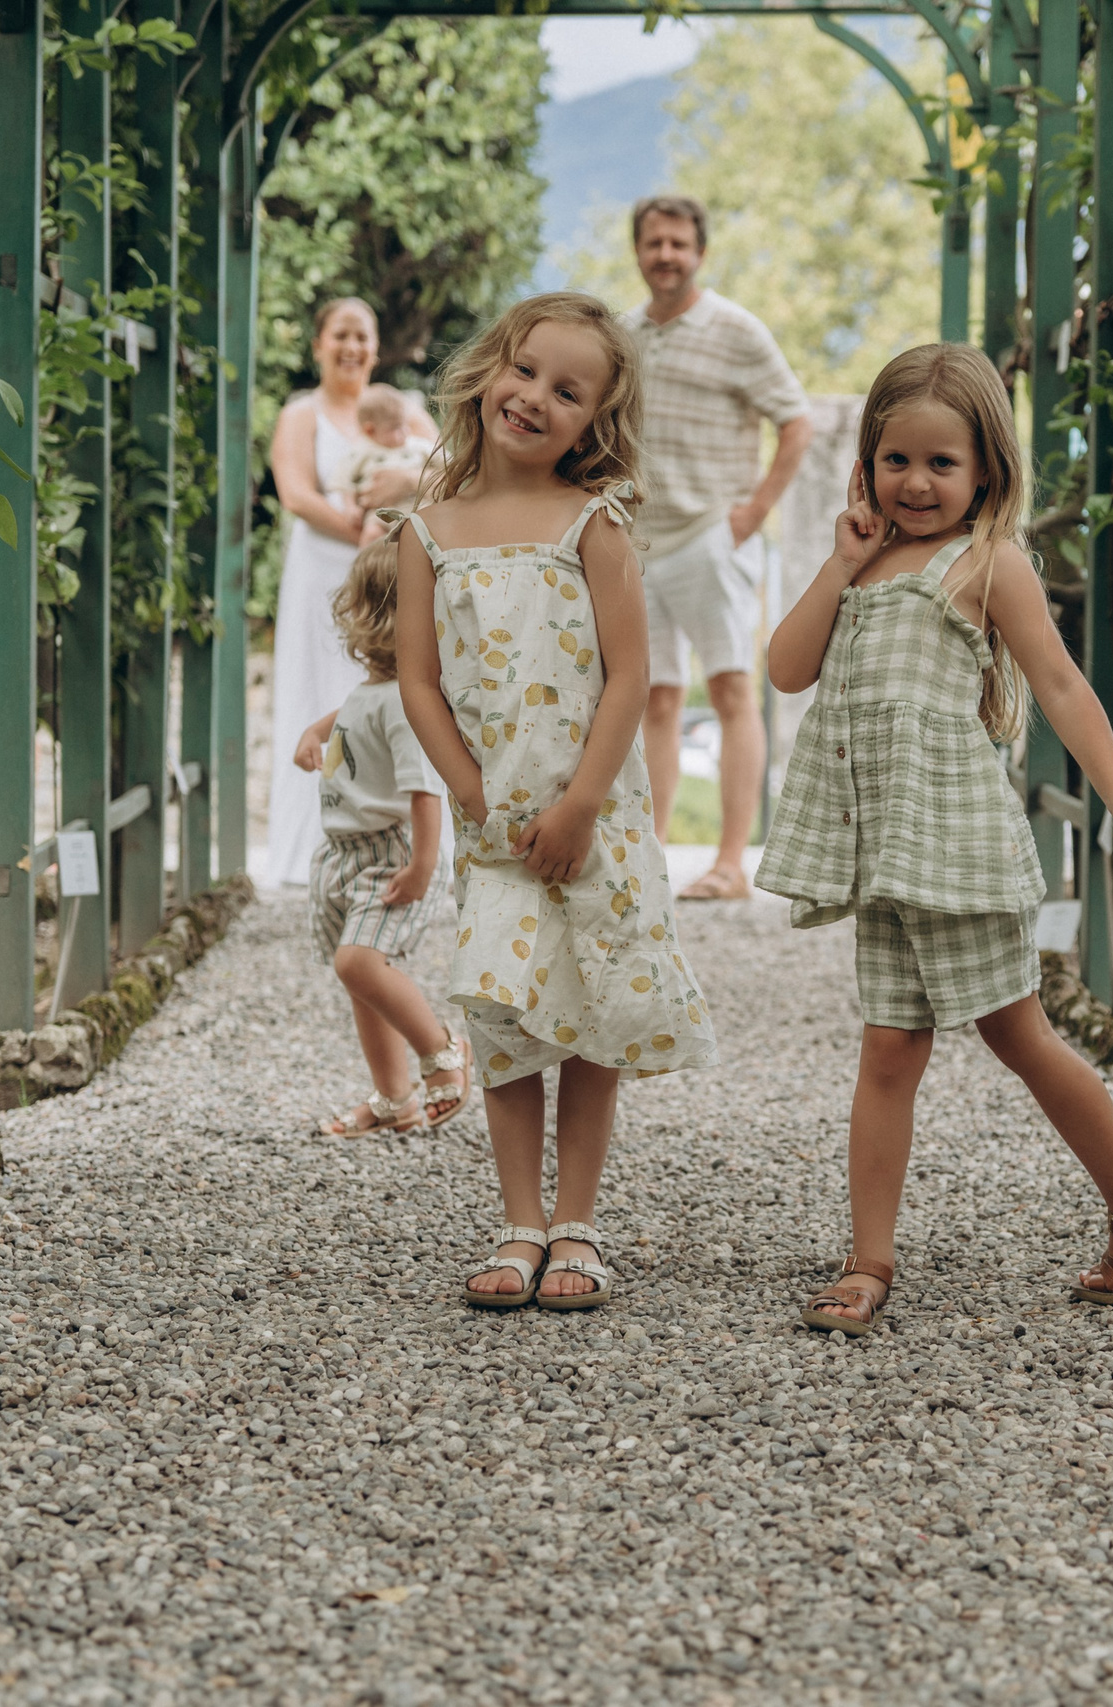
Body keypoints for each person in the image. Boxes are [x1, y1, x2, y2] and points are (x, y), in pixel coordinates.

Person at [755, 344, 1113, 1335]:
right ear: (868, 462)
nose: (914, 483)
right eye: (895, 460)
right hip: (887, 850)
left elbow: (1058, 683)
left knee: (1017, 1033)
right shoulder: (863, 560)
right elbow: (786, 671)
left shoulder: (989, 562)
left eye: (940, 464)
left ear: (986, 473)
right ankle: (868, 1258)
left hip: (953, 841)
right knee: (887, 1050)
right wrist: (839, 562)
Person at [392, 292, 719, 1312]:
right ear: (491, 368)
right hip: (494, 833)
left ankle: (575, 1222)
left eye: (566, 391)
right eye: (524, 371)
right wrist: (470, 790)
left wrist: (580, 805)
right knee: (503, 1018)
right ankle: (516, 1220)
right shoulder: (427, 531)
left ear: (592, 422)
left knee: (586, 1018)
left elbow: (630, 676)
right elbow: (417, 680)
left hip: (593, 823)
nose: (534, 398)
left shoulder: (594, 527)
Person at [620, 194, 814, 901]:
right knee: (653, 699)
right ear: (637, 252)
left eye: (677, 243)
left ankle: (732, 864)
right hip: (637, 538)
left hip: (712, 534)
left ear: (699, 251)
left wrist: (753, 510)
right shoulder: (622, 332)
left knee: (733, 690)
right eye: (653, 243)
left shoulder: (737, 329)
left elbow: (796, 422)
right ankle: (651, 855)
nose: (665, 255)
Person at [291, 535, 471, 1138]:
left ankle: (444, 1052)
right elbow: (347, 714)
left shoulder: (405, 703)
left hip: (388, 854)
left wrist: (422, 866)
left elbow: (425, 790)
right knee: (361, 981)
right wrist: (314, 734)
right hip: (344, 857)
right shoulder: (375, 693)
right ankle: (395, 1100)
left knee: (359, 963)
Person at [264, 299, 437, 890]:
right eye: (340, 335)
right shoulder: (301, 413)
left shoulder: (402, 409)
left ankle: (399, 847)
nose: (352, 347)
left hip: (393, 574)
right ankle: (308, 851)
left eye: (362, 335)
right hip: (323, 572)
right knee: (319, 691)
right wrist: (362, 531)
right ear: (318, 345)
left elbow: (451, 469)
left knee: (392, 693)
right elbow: (295, 493)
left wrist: (402, 495)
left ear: (376, 345)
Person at [349, 383, 436, 500]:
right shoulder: (361, 451)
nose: (406, 431)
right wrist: (351, 506)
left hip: (416, 504)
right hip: (377, 511)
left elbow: (449, 466)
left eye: (406, 424)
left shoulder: (415, 444)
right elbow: (345, 482)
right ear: (370, 431)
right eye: (396, 427)